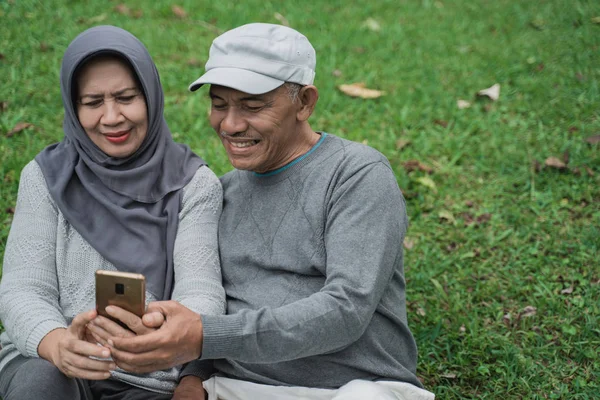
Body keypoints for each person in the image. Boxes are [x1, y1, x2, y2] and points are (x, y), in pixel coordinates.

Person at [105, 23, 435, 400]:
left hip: (353, 386)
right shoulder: (220, 190)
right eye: (219, 104)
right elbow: (212, 297)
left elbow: (347, 310)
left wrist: (204, 337)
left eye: (252, 105)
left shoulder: (356, 174)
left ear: (305, 103)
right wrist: (192, 377)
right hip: (235, 386)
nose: (230, 124)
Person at [0, 25, 225, 400]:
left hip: (149, 374)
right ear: (74, 108)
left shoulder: (195, 184)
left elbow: (201, 293)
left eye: (125, 97)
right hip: (48, 361)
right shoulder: (46, 176)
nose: (111, 117)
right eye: (92, 102)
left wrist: (159, 333)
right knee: (42, 384)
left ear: (150, 96)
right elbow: (24, 288)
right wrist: (58, 343)